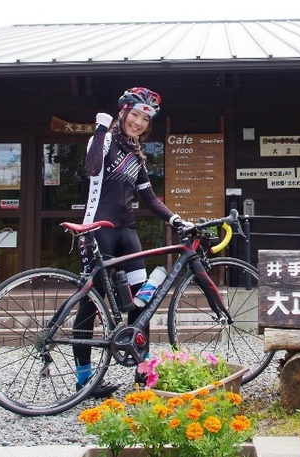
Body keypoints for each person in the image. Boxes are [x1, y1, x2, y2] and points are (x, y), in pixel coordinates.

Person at [73, 87, 190, 397]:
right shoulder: (106, 140)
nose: (138, 122)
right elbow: (92, 168)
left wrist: (175, 219)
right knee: (91, 302)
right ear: (123, 113)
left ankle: (143, 370)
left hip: (128, 233)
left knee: (143, 301)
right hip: (98, 229)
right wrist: (100, 128)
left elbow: (149, 197)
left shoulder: (136, 152)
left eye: (144, 118)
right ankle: (84, 379)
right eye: (134, 114)